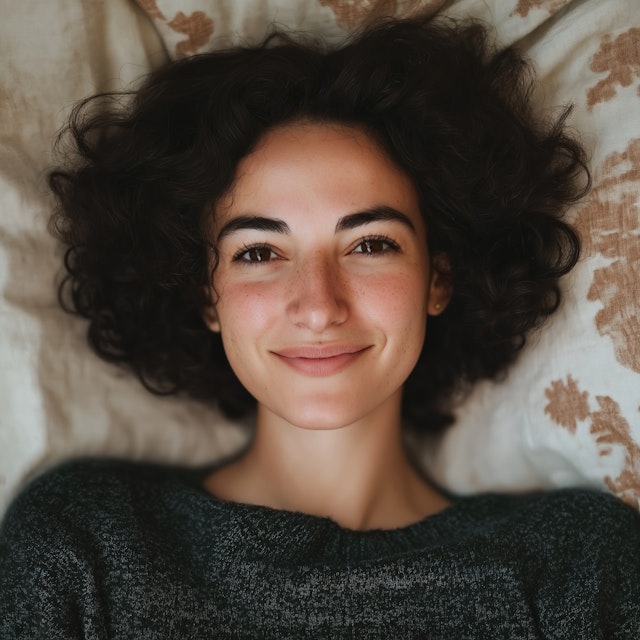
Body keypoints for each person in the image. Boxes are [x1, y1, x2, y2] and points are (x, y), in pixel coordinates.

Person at [1, 15, 639, 639]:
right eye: (258, 252)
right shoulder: (85, 546)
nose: (318, 305)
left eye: (370, 245)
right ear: (206, 296)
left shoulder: (576, 566)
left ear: (438, 279)